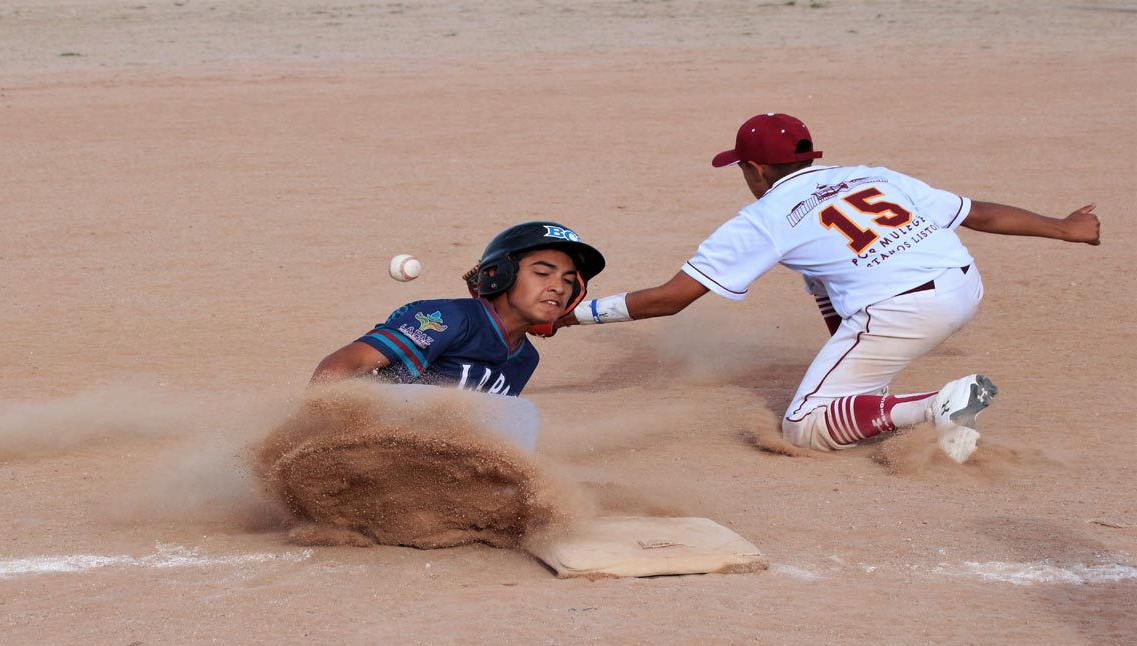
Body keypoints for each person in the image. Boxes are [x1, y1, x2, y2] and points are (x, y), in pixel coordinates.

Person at [556, 113, 1101, 462]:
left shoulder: (765, 217)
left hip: (902, 311)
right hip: (963, 287)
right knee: (819, 275)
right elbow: (976, 214)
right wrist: (1064, 228)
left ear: (753, 168)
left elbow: (670, 299)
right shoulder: (872, 176)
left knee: (805, 427)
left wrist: (572, 315)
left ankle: (937, 405)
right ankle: (877, 392)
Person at [311, 220, 605, 397]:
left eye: (569, 281)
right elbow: (344, 365)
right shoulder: (452, 318)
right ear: (497, 274)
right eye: (542, 273)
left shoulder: (526, 358)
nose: (559, 287)